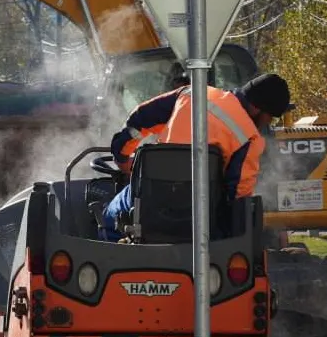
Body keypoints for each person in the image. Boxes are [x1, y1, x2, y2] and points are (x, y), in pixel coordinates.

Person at [102, 71, 293, 240]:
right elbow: (238, 196)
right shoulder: (250, 138)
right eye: (271, 117)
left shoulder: (190, 93)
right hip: (202, 217)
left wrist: (123, 158)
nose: (268, 122)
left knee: (110, 218)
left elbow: (139, 119)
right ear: (258, 108)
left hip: (152, 201)